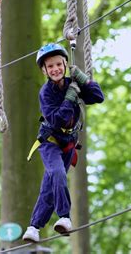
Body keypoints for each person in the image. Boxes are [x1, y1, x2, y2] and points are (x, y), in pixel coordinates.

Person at [22, 43, 104, 243]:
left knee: (50, 186)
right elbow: (57, 119)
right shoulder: (46, 93)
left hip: (69, 144)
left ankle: (34, 227)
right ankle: (65, 217)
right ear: (44, 70)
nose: (55, 69)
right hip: (50, 142)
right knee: (57, 174)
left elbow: (97, 97)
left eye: (59, 64)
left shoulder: (72, 83)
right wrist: (69, 98)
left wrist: (84, 81)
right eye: (50, 67)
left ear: (66, 64)